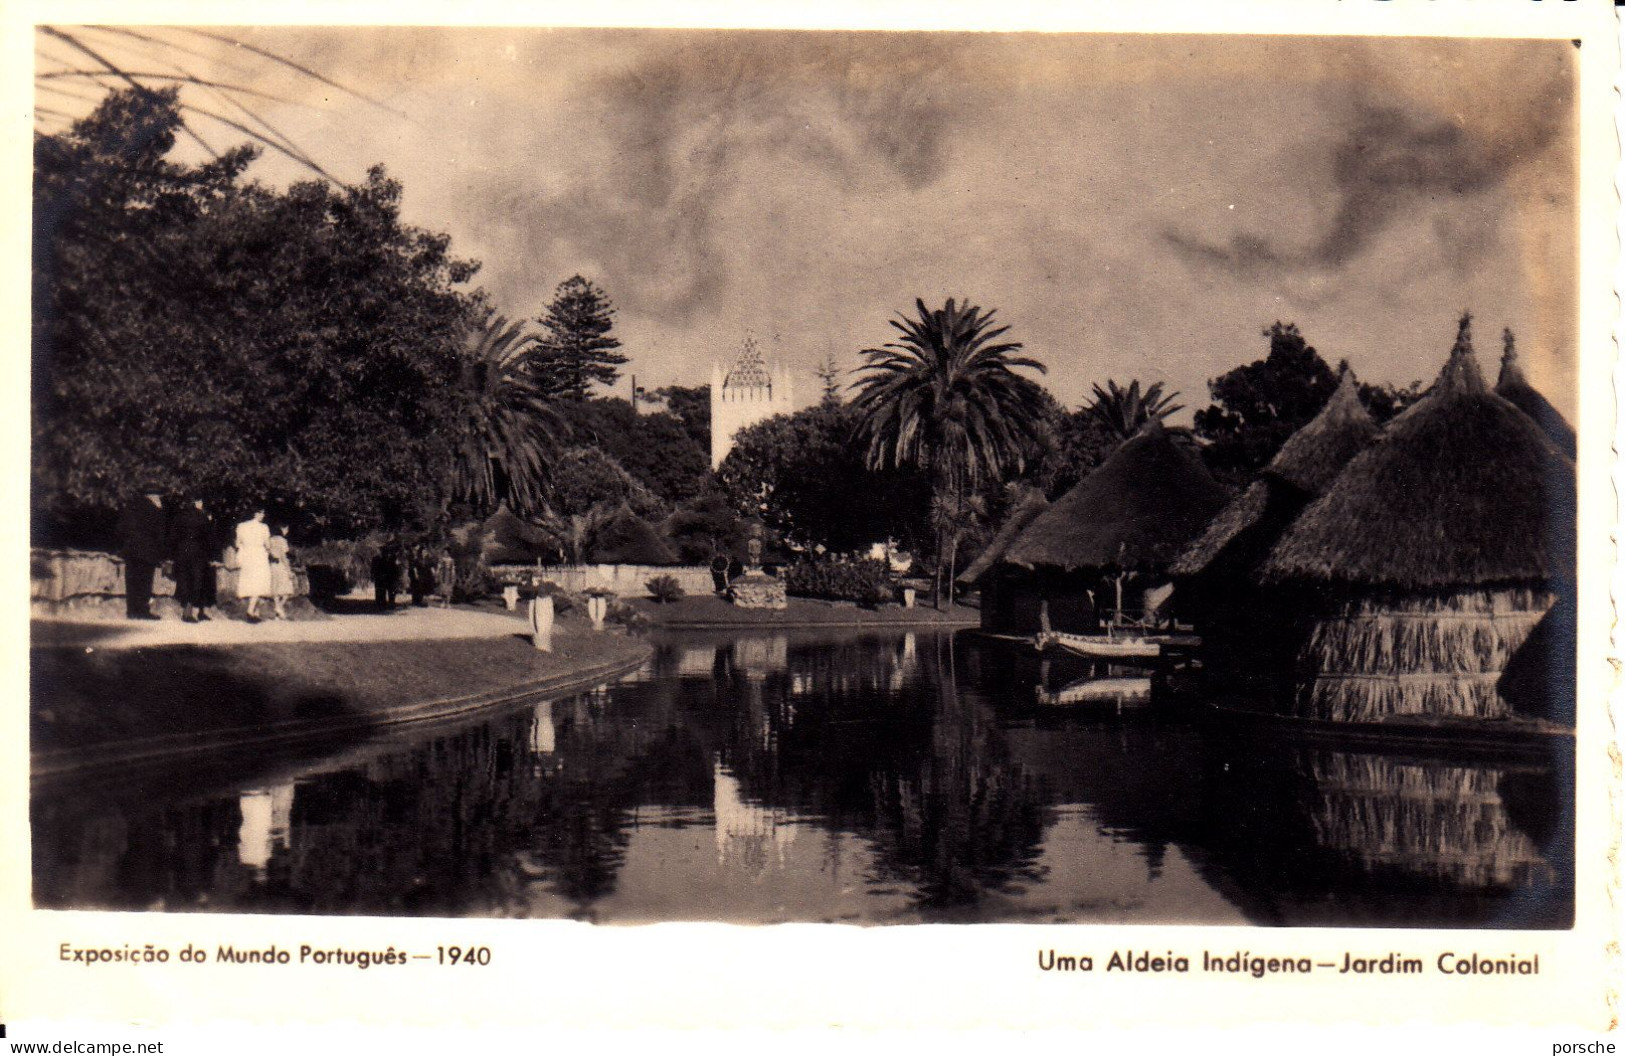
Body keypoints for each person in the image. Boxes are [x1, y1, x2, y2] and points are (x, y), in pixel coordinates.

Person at [116, 483, 166, 620]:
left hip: (131, 550)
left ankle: (132, 611)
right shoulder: (155, 510)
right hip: (147, 551)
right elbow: (160, 534)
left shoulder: (130, 507)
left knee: (131, 581)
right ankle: (143, 611)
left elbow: (120, 529)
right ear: (154, 496)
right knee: (145, 582)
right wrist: (161, 553)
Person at [169, 492, 214, 623]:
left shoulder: (180, 516)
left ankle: (191, 610)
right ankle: (188, 612)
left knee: (184, 580)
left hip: (182, 552)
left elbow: (173, 536)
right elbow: (209, 538)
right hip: (198, 553)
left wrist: (173, 553)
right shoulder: (202, 517)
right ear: (197, 503)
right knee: (197, 580)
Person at [234, 507, 272, 623]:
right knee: (259, 582)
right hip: (259, 555)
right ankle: (251, 611)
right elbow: (268, 545)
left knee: (250, 582)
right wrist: (269, 550)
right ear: (256, 513)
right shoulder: (263, 527)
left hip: (247, 555)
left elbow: (237, 543)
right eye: (261, 513)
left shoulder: (241, 526)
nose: (263, 515)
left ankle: (255, 613)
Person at [267, 522, 294, 620]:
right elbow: (283, 557)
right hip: (281, 566)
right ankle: (278, 607)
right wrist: (289, 570)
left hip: (272, 566)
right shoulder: (282, 540)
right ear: (282, 529)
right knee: (288, 590)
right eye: (286, 529)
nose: (287, 531)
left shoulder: (270, 540)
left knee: (275, 589)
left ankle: (278, 614)